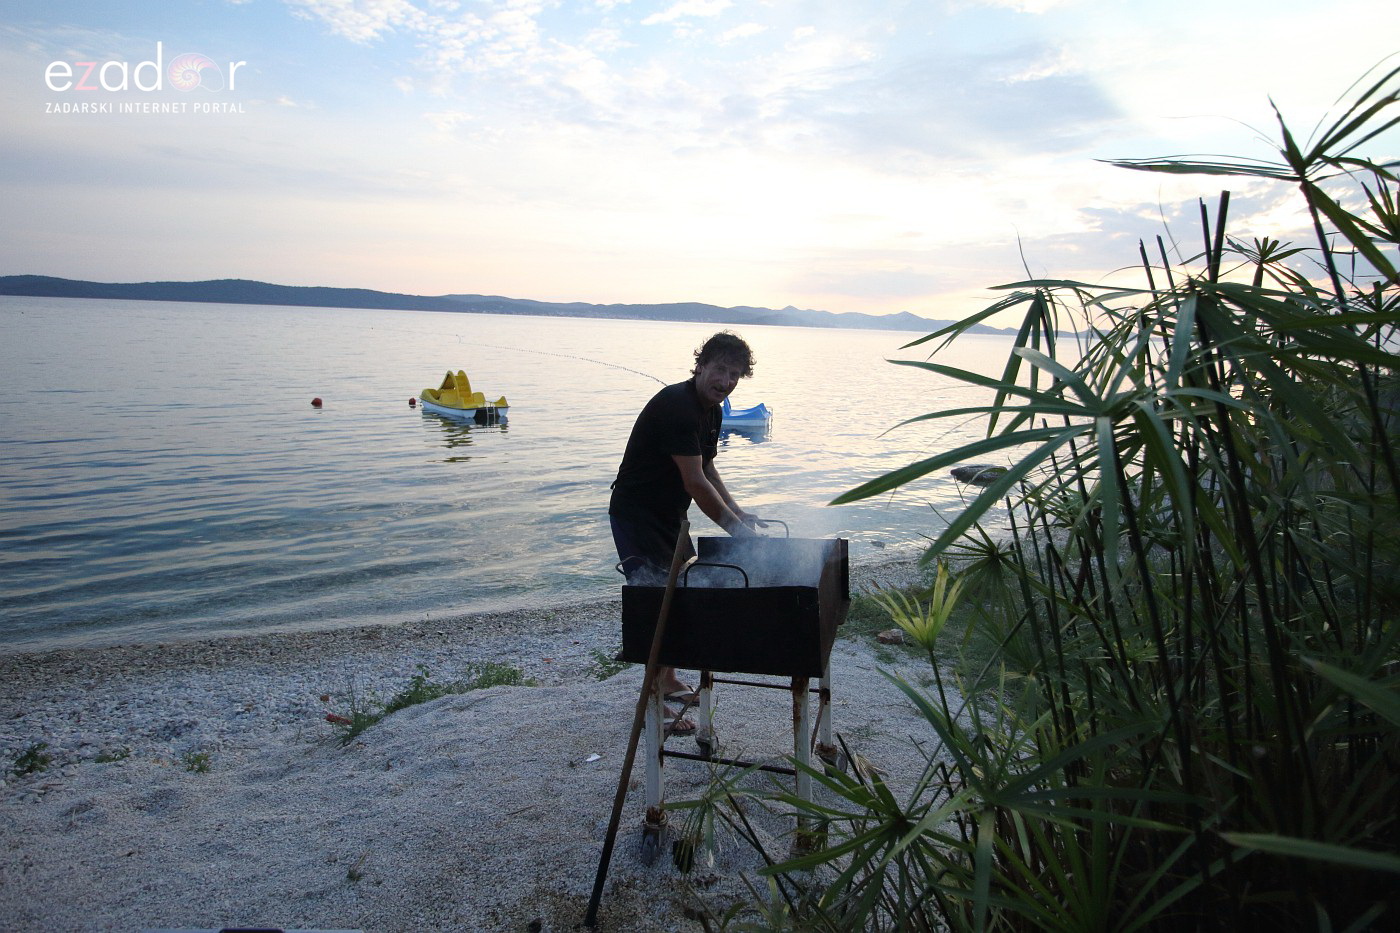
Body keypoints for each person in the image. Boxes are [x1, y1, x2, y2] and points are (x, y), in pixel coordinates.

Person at [609, 331, 766, 735]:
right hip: (638, 515)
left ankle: (669, 679)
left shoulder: (711, 409)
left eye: (735, 374)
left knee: (675, 596)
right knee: (654, 605)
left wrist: (738, 512)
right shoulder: (678, 407)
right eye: (719, 370)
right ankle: (652, 706)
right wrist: (734, 531)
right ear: (700, 366)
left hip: (669, 516)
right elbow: (695, 483)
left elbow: (709, 468)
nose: (726, 381)